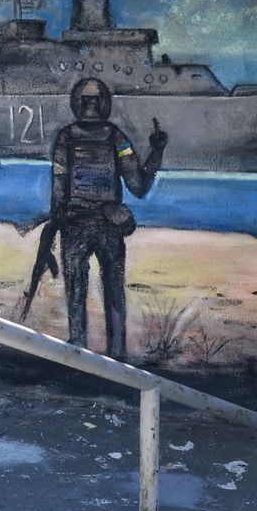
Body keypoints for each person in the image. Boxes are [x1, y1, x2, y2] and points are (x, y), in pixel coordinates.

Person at [49, 77, 167, 358]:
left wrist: (57, 221)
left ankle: (79, 348)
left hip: (76, 226)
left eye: (92, 101)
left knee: (77, 290)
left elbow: (58, 187)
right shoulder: (116, 137)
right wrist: (156, 152)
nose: (90, 107)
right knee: (113, 290)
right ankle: (116, 354)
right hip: (107, 224)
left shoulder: (66, 138)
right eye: (89, 102)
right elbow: (138, 185)